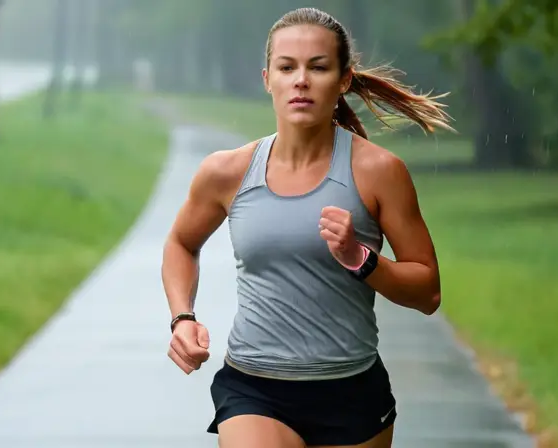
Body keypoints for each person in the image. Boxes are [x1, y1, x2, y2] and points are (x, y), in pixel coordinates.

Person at [161, 7, 454, 448]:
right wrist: (182, 317)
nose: (301, 80)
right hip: (253, 386)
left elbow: (428, 292)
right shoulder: (227, 171)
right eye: (287, 67)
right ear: (268, 79)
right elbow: (182, 243)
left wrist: (363, 260)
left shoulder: (378, 173)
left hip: (351, 393)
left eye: (318, 67)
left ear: (343, 81)